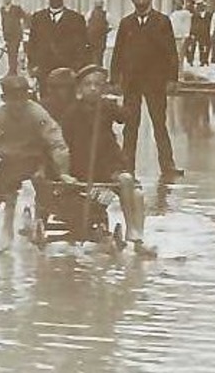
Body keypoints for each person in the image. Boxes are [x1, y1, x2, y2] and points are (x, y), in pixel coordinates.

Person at [0, 74, 75, 250]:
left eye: (22, 98)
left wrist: (63, 171)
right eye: (13, 99)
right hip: (12, 160)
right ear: (4, 99)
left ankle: (17, 226)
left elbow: (57, 143)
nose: (18, 104)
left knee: (41, 190)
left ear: (28, 97)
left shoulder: (37, 114)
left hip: (39, 158)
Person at [63, 65, 151, 251]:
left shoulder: (107, 107)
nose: (93, 88)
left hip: (108, 161)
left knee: (135, 190)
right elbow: (66, 142)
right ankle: (133, 233)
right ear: (80, 88)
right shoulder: (73, 111)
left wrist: (119, 102)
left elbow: (126, 117)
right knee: (126, 181)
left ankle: (136, 234)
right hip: (85, 164)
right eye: (88, 84)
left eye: (98, 85)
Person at [109, 0, 183, 181]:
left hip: (155, 82)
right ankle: (127, 165)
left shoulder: (162, 21)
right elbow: (118, 52)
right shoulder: (126, 23)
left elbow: (171, 52)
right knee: (130, 125)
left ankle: (167, 164)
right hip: (132, 82)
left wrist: (172, 79)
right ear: (133, 0)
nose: (141, 1)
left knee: (159, 124)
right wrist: (114, 78)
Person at [26, 0, 90, 95]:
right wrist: (33, 65)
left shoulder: (76, 19)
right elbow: (32, 44)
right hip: (44, 71)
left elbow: (82, 46)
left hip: (67, 72)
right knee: (46, 105)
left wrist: (76, 68)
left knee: (67, 107)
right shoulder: (38, 18)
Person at [0, 0, 27, 76]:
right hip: (8, 35)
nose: (5, 0)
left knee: (13, 52)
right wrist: (4, 34)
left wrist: (22, 27)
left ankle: (13, 70)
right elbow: (3, 22)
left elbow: (25, 16)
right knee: (10, 53)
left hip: (16, 35)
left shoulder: (16, 8)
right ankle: (11, 69)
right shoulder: (2, 9)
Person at [168, 0, 193, 67]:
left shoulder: (186, 13)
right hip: (173, 37)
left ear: (182, 4)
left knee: (180, 57)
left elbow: (188, 25)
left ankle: (180, 74)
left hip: (182, 37)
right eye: (176, 3)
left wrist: (186, 37)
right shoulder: (172, 14)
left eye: (179, 3)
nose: (177, 5)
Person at [86, 2, 111, 67]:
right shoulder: (106, 14)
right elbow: (110, 26)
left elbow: (86, 25)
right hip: (101, 38)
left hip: (91, 38)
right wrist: (106, 31)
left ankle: (94, 66)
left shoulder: (90, 13)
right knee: (100, 54)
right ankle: (99, 66)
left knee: (92, 53)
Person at [189, 0, 212, 66]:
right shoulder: (194, 15)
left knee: (204, 47)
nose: (200, 7)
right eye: (198, 6)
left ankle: (204, 60)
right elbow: (192, 24)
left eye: (201, 6)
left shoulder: (208, 15)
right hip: (196, 32)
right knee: (193, 46)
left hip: (205, 32)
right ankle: (191, 60)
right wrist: (192, 32)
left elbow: (210, 23)